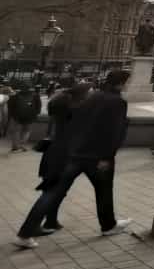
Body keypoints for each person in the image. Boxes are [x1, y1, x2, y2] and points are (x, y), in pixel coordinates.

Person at [15, 69, 133, 247]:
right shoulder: (117, 102)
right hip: (97, 156)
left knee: (53, 192)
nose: (128, 85)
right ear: (120, 84)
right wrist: (107, 156)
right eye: (127, 82)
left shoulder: (92, 98)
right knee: (104, 191)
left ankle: (25, 234)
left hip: (74, 153)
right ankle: (108, 226)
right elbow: (114, 133)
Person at [35, 81, 91, 233]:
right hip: (62, 155)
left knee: (54, 190)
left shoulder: (57, 111)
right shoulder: (73, 113)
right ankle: (32, 226)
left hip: (52, 154)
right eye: (88, 93)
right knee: (52, 192)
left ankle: (51, 221)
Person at [8, 84, 40, 152]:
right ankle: (22, 145)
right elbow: (38, 107)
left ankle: (15, 146)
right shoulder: (35, 96)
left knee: (16, 131)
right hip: (30, 117)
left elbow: (10, 106)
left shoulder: (15, 96)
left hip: (17, 116)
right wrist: (35, 114)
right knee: (26, 131)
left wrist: (12, 115)